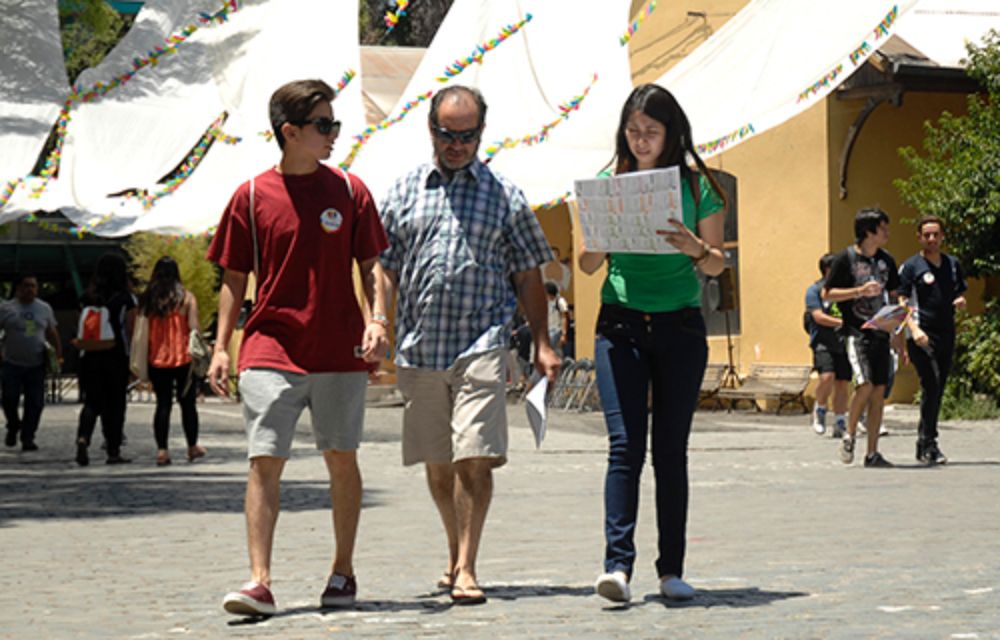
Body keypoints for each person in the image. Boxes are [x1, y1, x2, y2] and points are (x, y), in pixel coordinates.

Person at [207, 79, 390, 617]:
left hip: (340, 350)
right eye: (323, 125)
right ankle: (260, 581)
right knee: (265, 460)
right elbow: (233, 276)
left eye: (333, 123)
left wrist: (378, 319)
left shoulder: (351, 191)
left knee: (341, 459)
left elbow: (372, 264)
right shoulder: (250, 195)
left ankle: (343, 570)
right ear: (290, 132)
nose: (334, 134)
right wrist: (222, 346)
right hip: (270, 346)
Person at [379, 85, 560, 606]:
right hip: (420, 347)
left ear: (482, 132)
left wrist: (542, 343)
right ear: (430, 129)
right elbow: (384, 268)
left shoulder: (505, 195)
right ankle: (454, 549)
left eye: (467, 135)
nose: (456, 144)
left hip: (481, 341)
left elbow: (529, 275)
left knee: (474, 457)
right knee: (439, 465)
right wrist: (377, 319)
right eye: (446, 133)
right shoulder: (405, 190)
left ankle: (467, 566)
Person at [579, 84, 727, 604]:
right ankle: (617, 566)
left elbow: (717, 264)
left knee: (670, 451)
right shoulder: (607, 183)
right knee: (625, 447)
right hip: (621, 324)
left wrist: (696, 246)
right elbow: (588, 263)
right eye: (633, 131)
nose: (641, 141)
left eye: (652, 132)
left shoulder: (697, 186)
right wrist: (600, 238)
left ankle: (672, 570)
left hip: (680, 327)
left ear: (671, 135)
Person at [823, 208, 903, 469]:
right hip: (857, 333)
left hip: (882, 332)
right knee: (865, 385)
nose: (887, 233)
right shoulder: (845, 259)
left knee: (879, 392)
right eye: (883, 228)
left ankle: (872, 452)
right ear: (868, 232)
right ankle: (849, 435)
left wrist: (898, 329)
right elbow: (828, 293)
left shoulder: (886, 261)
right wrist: (859, 290)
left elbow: (895, 295)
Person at [899, 215, 967, 465]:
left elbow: (959, 291)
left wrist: (960, 301)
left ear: (942, 237)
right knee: (932, 381)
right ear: (919, 237)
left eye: (936, 234)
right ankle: (929, 442)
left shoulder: (951, 264)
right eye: (926, 235)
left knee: (936, 388)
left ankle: (923, 442)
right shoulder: (911, 267)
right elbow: (901, 302)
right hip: (921, 335)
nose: (931, 239)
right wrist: (914, 329)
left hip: (946, 333)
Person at [137, 256, 207, 466]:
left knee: (163, 405)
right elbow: (194, 328)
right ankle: (192, 446)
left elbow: (141, 331)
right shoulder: (186, 297)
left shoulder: (148, 299)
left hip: (156, 357)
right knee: (188, 405)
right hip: (183, 357)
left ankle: (162, 451)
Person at [73, 253, 136, 465]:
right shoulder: (126, 299)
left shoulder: (86, 297)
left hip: (89, 355)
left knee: (92, 401)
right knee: (115, 405)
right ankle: (113, 450)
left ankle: (83, 438)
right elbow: (131, 329)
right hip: (116, 355)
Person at [1, 274, 62, 451]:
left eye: (34, 286)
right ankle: (13, 425)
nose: (30, 290)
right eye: (27, 286)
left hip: (36, 363)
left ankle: (28, 436)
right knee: (9, 399)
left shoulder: (44, 308)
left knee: (35, 402)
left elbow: (52, 332)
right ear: (18, 288)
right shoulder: (6, 308)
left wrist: (58, 355)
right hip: (12, 363)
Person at [805, 253, 850, 437]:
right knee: (827, 377)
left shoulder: (846, 291)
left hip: (844, 342)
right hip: (823, 342)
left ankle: (840, 420)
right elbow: (818, 316)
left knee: (842, 382)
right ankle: (820, 409)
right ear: (827, 270)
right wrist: (840, 323)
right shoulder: (814, 290)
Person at [545, 282, 570, 357]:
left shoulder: (560, 301)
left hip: (556, 330)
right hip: (548, 330)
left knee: (552, 348)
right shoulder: (547, 302)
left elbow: (564, 317)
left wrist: (564, 334)